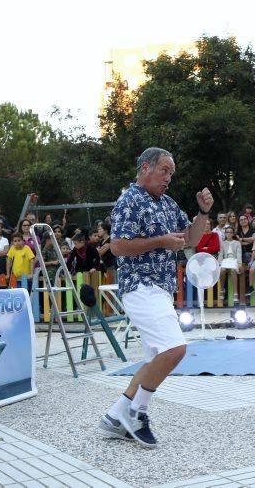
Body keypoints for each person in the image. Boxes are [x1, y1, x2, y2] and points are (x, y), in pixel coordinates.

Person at [98, 147, 212, 448]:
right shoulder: (129, 201)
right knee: (174, 349)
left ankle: (114, 416)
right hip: (140, 286)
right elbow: (119, 247)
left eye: (171, 173)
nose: (169, 178)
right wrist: (161, 241)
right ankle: (137, 412)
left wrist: (202, 213)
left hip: (159, 288)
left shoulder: (167, 203)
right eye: (164, 171)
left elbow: (190, 239)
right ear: (146, 168)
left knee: (154, 358)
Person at [218, 225, 242, 302]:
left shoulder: (237, 243)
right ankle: (222, 289)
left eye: (230, 232)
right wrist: (219, 263)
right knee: (222, 270)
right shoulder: (223, 243)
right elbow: (221, 254)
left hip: (234, 259)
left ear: (233, 234)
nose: (229, 234)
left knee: (233, 270)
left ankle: (235, 292)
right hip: (225, 260)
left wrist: (239, 263)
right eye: (227, 232)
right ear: (225, 234)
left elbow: (239, 254)